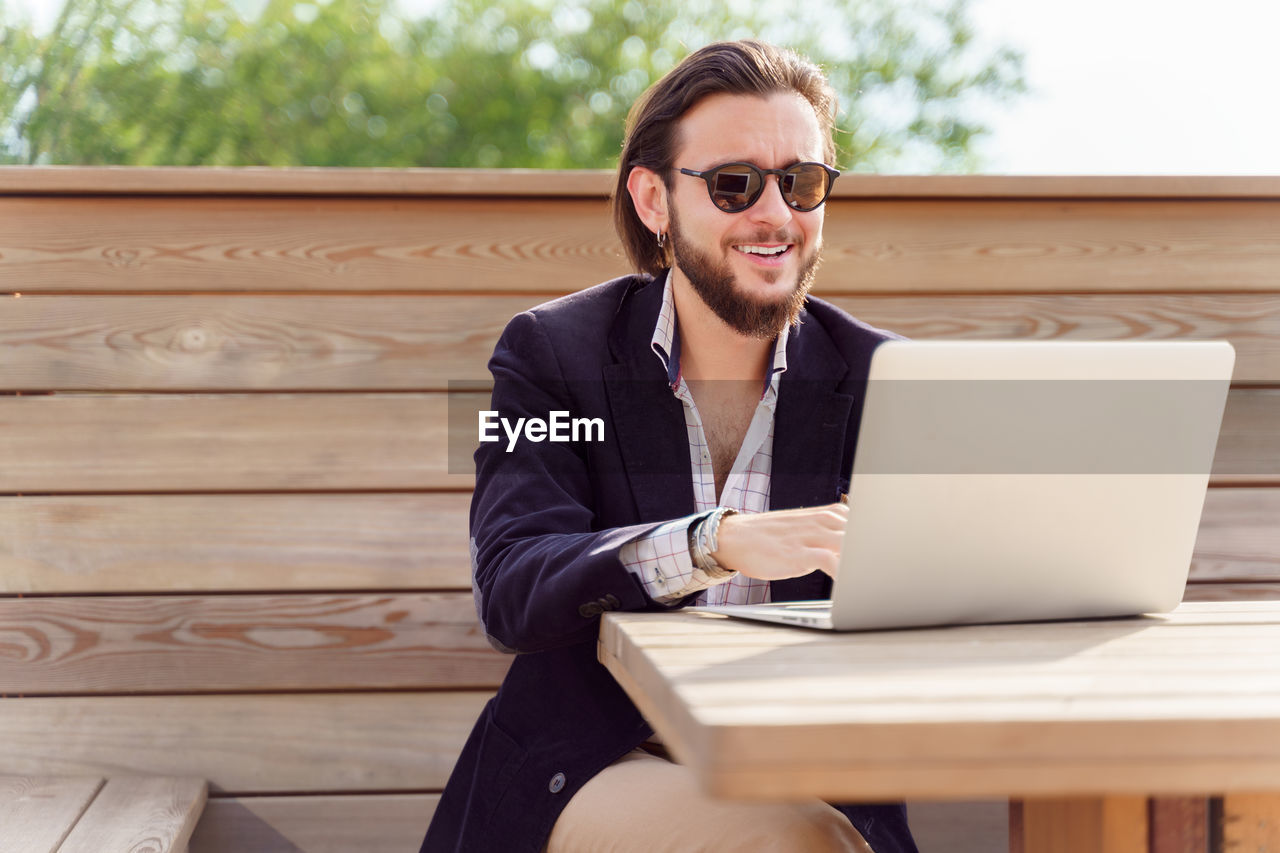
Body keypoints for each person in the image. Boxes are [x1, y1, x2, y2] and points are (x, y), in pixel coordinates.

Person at [420, 39, 918, 853]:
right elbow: (512, 586)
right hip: (597, 759)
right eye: (735, 184)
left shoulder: (882, 378)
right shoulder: (547, 357)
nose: (776, 214)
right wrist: (712, 543)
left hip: (809, 766)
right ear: (654, 199)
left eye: (802, 182)